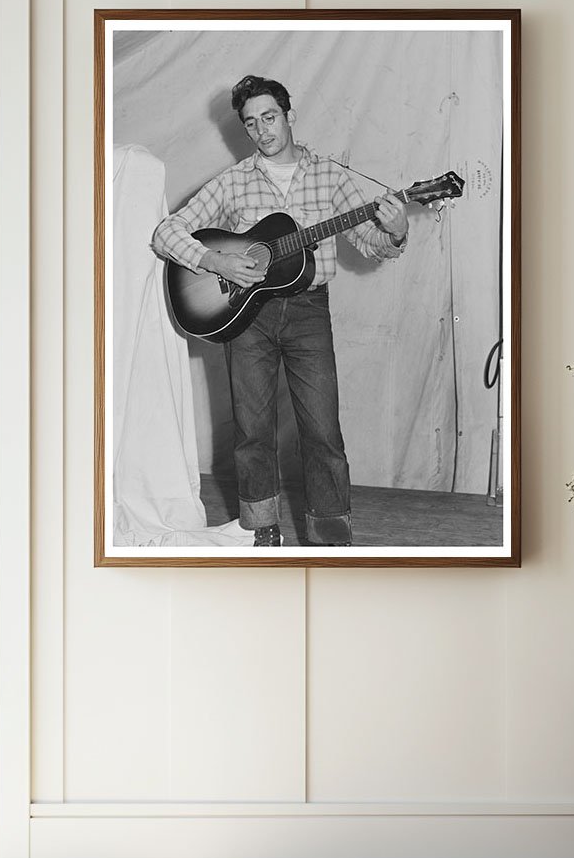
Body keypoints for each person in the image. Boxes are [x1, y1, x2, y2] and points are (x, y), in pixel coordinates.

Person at [152, 74, 408, 546]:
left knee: (322, 428)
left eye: (269, 117)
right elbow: (166, 232)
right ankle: (260, 533)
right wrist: (215, 259)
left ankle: (330, 532)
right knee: (252, 431)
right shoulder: (232, 181)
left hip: (310, 312)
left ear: (289, 116)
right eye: (251, 123)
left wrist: (393, 231)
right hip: (248, 318)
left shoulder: (331, 175)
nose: (262, 130)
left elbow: (368, 241)